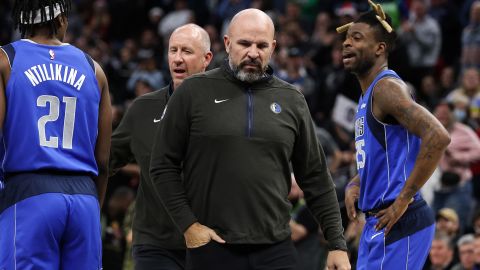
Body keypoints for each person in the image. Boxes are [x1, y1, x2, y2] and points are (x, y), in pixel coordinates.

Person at [149, 8, 350, 270]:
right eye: (245, 43)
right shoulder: (192, 92)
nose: (253, 52)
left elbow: (316, 177)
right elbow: (162, 165)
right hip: (211, 248)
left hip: (276, 249)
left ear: (273, 47)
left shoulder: (292, 100)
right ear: (227, 43)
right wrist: (188, 225)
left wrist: (337, 244)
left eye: (261, 45)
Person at [0, 0, 112, 269]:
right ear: (61, 20)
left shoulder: (6, 60)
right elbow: (104, 162)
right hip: (84, 198)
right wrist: (92, 211)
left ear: (23, 20)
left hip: (29, 195)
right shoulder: (94, 69)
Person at [339, 1, 451, 269]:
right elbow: (388, 158)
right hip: (378, 221)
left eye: (357, 38)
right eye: (346, 38)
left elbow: (438, 136)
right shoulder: (368, 95)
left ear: (380, 48)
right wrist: (356, 182)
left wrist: (402, 200)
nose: (346, 43)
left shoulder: (386, 88)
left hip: (400, 220)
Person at [109, 23, 213, 270]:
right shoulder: (143, 108)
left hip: (210, 240)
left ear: (206, 58)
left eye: (186, 51)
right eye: (173, 50)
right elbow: (106, 158)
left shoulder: (224, 108)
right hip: (154, 242)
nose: (177, 58)